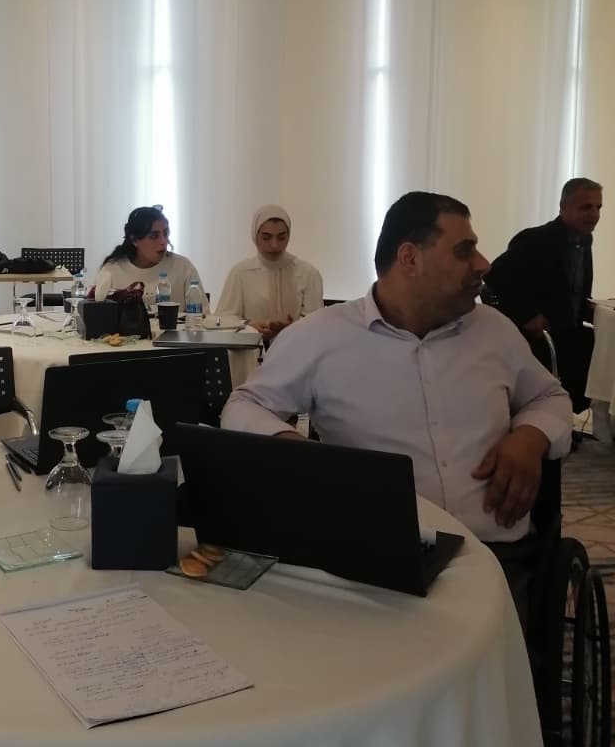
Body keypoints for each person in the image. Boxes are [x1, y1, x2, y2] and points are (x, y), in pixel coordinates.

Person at [222, 191, 571, 623]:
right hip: (377, 562)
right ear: (410, 258)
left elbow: (550, 397)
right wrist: (289, 446)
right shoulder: (321, 338)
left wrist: (531, 436)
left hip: (498, 554)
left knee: (485, 652)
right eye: (464, 250)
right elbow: (243, 405)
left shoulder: (494, 332)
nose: (483, 264)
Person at [485, 178, 602, 412]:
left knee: (604, 349)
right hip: (538, 336)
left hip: (568, 329)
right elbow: (494, 275)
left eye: (598, 207)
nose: (594, 214)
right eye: (586, 207)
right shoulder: (536, 240)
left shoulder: (584, 239)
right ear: (564, 207)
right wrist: (528, 315)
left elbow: (573, 288)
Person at [216, 204, 323, 339]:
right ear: (255, 236)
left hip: (297, 347)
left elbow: (317, 322)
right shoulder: (240, 273)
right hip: (252, 348)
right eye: (266, 238)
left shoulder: (308, 273)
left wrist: (290, 329)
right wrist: (249, 327)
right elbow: (223, 319)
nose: (274, 245)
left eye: (281, 237)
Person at [94, 207, 208, 311]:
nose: (163, 241)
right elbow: (96, 314)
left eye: (165, 233)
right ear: (134, 240)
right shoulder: (112, 270)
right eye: (154, 236)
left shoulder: (183, 267)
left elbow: (203, 317)